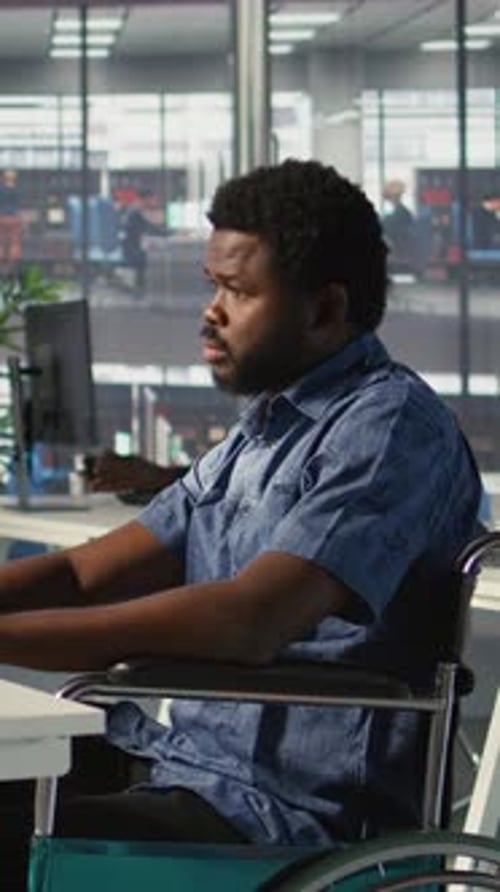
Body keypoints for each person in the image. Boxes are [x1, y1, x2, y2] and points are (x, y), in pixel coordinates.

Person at [0, 159, 481, 889]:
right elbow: (83, 574)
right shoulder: (259, 435)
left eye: (239, 291)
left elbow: (249, 621)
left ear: (324, 311)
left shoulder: (388, 428)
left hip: (290, 820)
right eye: (213, 286)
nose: (211, 313)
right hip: (188, 767)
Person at [120, 188, 168, 295]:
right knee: (164, 252)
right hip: (135, 250)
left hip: (135, 247)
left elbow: (151, 229)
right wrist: (168, 234)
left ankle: (142, 288)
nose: (155, 202)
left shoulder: (134, 210)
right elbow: (149, 229)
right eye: (154, 199)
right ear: (146, 199)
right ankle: (145, 289)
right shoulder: (136, 212)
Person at [382, 178, 416, 272]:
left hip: (399, 251)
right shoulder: (399, 213)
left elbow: (392, 231)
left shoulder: (401, 213)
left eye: (390, 197)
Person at [0, 169, 22, 273]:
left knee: (1, 241)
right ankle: (13, 264)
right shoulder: (17, 190)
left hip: (1, 217)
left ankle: (1, 265)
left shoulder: (1, 189)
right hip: (14, 217)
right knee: (14, 241)